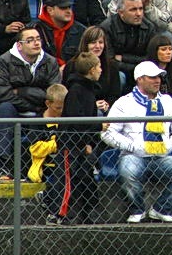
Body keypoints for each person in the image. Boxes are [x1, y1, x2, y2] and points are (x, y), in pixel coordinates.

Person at [101, 60, 172, 223]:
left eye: (159, 77)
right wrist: (133, 146)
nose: (158, 80)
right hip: (134, 156)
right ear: (140, 79)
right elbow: (107, 134)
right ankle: (137, 209)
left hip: (162, 157)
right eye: (152, 77)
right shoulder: (124, 102)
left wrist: (170, 145)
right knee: (128, 170)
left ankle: (161, 208)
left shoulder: (167, 101)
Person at [0, 26, 60, 180]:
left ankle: (44, 166)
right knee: (4, 109)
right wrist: (33, 103)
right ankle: (2, 166)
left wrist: (23, 91)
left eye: (38, 39)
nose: (36, 43)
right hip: (15, 109)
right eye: (30, 40)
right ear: (19, 45)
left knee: (53, 108)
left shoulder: (50, 62)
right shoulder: (3, 62)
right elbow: (1, 94)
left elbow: (54, 93)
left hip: (41, 110)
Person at [60, 52, 104, 224]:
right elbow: (76, 121)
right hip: (72, 147)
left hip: (84, 145)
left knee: (86, 179)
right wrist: (98, 127)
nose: (101, 70)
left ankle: (88, 213)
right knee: (73, 181)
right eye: (99, 67)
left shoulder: (89, 90)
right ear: (92, 70)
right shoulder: (76, 91)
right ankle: (67, 214)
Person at [27, 84, 68, 225]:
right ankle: (52, 209)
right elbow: (35, 148)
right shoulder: (38, 122)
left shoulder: (67, 121)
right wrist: (57, 144)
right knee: (55, 180)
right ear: (48, 103)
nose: (61, 111)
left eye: (64, 107)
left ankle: (51, 204)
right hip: (45, 167)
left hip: (64, 164)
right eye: (58, 108)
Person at [100, 0, 159, 85]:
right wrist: (137, 66)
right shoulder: (107, 28)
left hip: (142, 72)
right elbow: (110, 62)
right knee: (120, 77)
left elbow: (152, 59)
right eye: (133, 10)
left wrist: (124, 58)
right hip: (117, 72)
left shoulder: (149, 27)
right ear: (121, 13)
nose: (139, 14)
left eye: (140, 8)